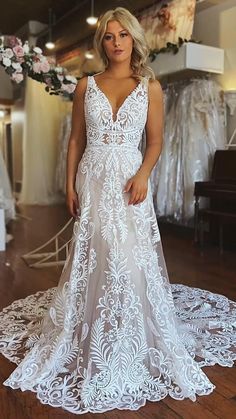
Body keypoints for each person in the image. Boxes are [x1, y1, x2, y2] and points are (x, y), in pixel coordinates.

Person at [0, 6, 235, 416]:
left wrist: (144, 173)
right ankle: (90, 322)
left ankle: (129, 328)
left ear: (133, 39)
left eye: (122, 35)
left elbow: (157, 141)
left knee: (127, 255)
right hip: (93, 179)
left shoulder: (151, 86)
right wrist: (71, 183)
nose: (116, 43)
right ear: (101, 43)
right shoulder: (85, 85)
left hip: (130, 180)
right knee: (99, 252)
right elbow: (75, 140)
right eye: (108, 37)